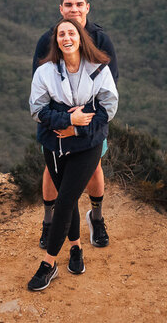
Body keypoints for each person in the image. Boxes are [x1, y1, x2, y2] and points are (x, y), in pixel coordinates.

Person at [26, 16, 119, 291]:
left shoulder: (99, 69)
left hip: (86, 145)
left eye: (71, 33)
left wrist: (77, 129)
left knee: (65, 201)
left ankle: (48, 264)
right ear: (56, 41)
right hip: (54, 145)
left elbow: (108, 109)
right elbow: (37, 110)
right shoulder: (45, 72)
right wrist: (67, 121)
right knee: (66, 194)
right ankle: (76, 247)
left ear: (81, 37)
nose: (66, 38)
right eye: (61, 34)